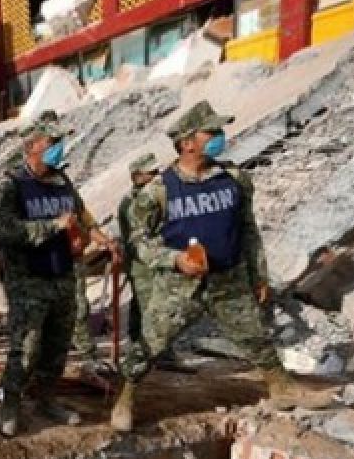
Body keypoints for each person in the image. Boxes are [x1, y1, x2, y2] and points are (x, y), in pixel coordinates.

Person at [110, 100, 324, 431]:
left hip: (229, 279)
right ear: (187, 142)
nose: (220, 136)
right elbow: (138, 242)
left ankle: (281, 387)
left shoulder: (235, 180)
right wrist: (174, 259)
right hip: (180, 286)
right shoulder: (158, 191)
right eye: (211, 132)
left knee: (254, 335)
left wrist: (258, 274)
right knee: (150, 344)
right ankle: (125, 399)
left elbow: (248, 230)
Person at [0, 113, 118, 437]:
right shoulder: (11, 185)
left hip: (62, 273)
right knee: (27, 345)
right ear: (31, 147)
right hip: (28, 278)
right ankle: (10, 403)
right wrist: (51, 227)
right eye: (51, 143)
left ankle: (47, 399)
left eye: (59, 143)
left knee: (58, 344)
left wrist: (99, 235)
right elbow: (5, 231)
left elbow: (80, 214)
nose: (58, 149)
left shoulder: (62, 181)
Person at [119, 152, 161, 345]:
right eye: (150, 173)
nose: (155, 176)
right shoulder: (132, 202)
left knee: (140, 303)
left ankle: (137, 342)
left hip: (146, 259)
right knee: (151, 306)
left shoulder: (149, 197)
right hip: (141, 261)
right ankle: (158, 351)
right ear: (136, 176)